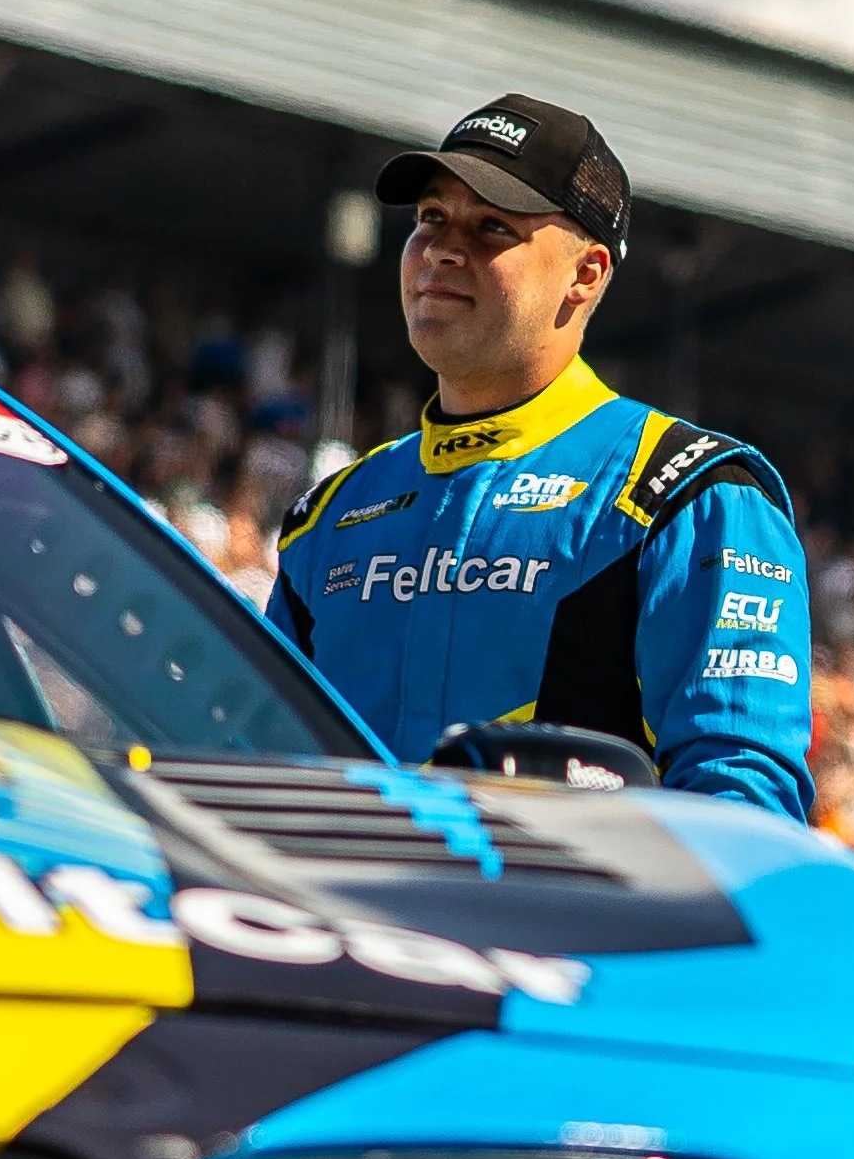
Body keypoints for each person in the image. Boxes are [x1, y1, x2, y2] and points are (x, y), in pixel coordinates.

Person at [270, 94, 812, 816]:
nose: (443, 247)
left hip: (555, 926)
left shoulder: (690, 494)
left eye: (493, 226)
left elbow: (743, 803)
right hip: (338, 923)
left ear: (585, 275)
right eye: (431, 217)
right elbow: (257, 760)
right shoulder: (329, 516)